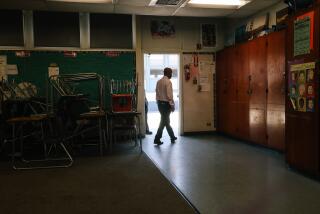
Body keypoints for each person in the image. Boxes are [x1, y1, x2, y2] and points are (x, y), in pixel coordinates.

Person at [154, 67, 177, 145]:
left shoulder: (159, 81)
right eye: (171, 73)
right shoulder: (168, 82)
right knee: (164, 121)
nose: (172, 75)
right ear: (168, 73)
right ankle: (157, 138)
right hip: (166, 105)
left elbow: (156, 93)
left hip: (160, 104)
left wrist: (158, 102)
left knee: (165, 121)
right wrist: (172, 105)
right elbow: (169, 95)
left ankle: (172, 136)